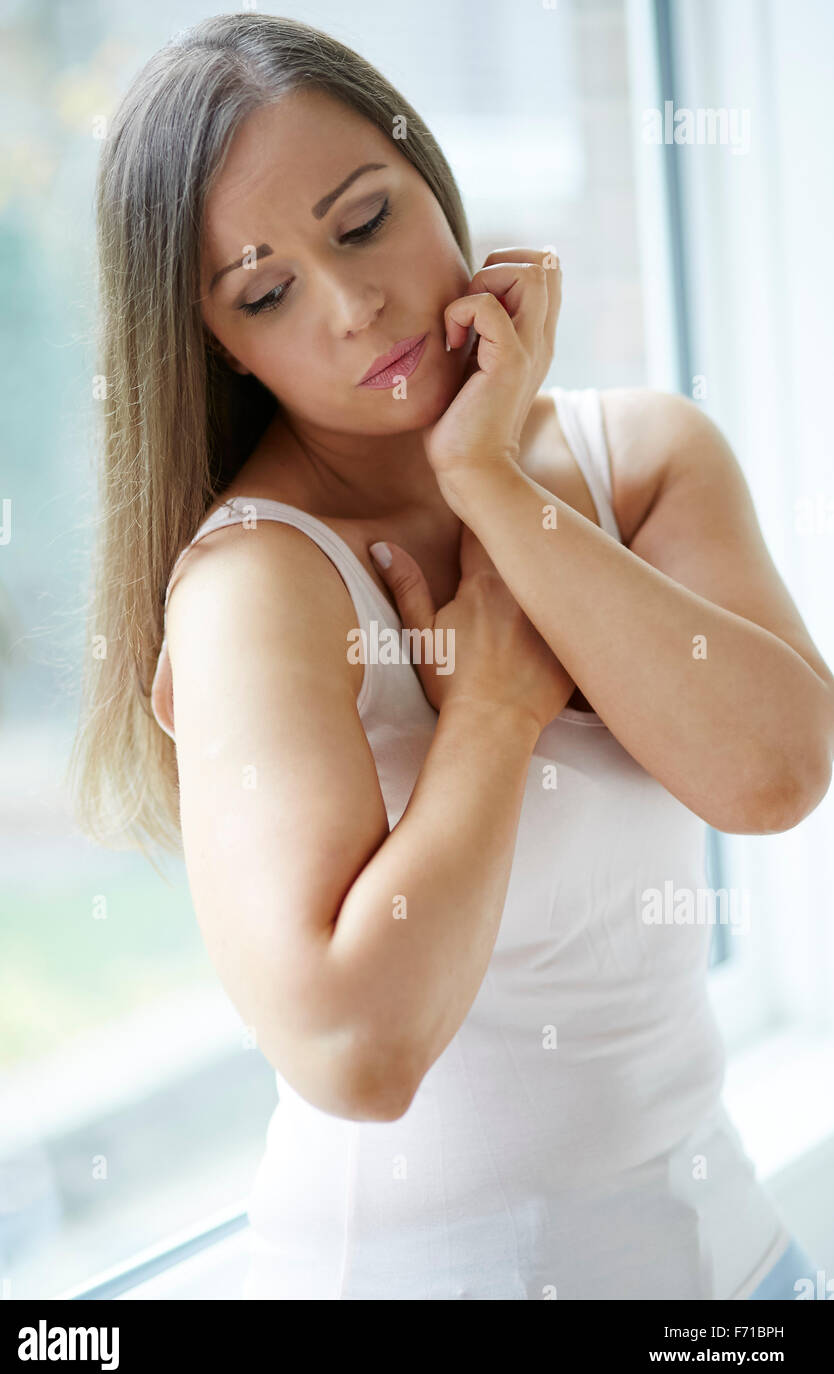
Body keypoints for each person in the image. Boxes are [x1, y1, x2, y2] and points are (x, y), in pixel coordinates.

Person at [69, 13, 834, 1299]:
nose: (355, 306)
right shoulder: (259, 583)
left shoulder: (639, 459)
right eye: (267, 290)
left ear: (428, 174)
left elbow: (774, 773)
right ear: (217, 343)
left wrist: (486, 480)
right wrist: (492, 710)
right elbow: (354, 1052)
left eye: (363, 220)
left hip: (740, 1272)